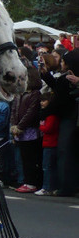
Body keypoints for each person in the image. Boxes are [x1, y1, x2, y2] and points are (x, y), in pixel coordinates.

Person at [39, 48, 79, 196]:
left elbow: (59, 99)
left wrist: (44, 112)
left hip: (69, 118)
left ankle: (66, 186)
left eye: (62, 61)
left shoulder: (68, 77)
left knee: (65, 153)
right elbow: (57, 86)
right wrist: (45, 75)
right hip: (70, 117)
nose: (60, 63)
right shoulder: (65, 77)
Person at [10, 66, 43, 193]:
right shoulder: (20, 94)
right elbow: (14, 109)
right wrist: (14, 125)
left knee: (31, 158)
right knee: (23, 157)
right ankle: (27, 181)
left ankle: (32, 182)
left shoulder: (35, 94)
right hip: (19, 131)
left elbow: (31, 112)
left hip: (30, 131)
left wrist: (20, 126)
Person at [35, 91, 59, 196]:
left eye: (44, 101)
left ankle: (47, 187)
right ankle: (51, 187)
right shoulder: (50, 115)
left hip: (50, 143)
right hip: (49, 143)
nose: (41, 103)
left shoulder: (51, 116)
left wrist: (40, 126)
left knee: (47, 167)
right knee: (50, 167)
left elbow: (48, 128)